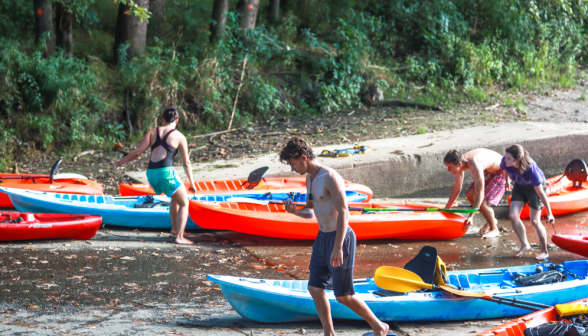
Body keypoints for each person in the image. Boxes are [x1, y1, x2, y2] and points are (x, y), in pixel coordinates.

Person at [281, 137, 389, 336]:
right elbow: (311, 211)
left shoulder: (330, 177)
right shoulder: (310, 178)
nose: (292, 168)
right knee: (314, 288)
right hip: (322, 238)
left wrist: (338, 247)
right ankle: (329, 334)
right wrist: (295, 212)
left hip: (341, 239)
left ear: (303, 157)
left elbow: (344, 212)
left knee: (344, 296)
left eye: (293, 163)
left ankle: (379, 326)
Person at [114, 108, 196, 245]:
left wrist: (120, 162)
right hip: (165, 173)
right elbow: (186, 162)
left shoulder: (153, 132)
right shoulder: (180, 137)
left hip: (151, 174)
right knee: (184, 202)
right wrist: (192, 183)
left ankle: (175, 229)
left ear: (163, 120)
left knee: (175, 196)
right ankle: (180, 237)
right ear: (177, 120)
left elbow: (138, 152)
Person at [501, 144, 554, 260]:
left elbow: (541, 193)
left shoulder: (530, 169)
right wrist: (507, 182)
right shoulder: (506, 161)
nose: (505, 160)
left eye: (509, 158)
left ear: (518, 159)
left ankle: (544, 251)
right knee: (513, 216)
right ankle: (525, 245)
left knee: (535, 220)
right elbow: (504, 169)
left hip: (534, 188)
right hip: (519, 186)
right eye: (505, 157)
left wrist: (550, 212)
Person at [443, 149, 506, 238]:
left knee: (483, 201)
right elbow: (457, 187)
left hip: (502, 171)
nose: (448, 170)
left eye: (450, 167)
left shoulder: (475, 166)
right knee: (470, 194)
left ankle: (494, 229)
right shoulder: (459, 160)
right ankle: (492, 220)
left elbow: (480, 194)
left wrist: (471, 216)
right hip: (488, 169)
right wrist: (447, 209)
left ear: (459, 164)